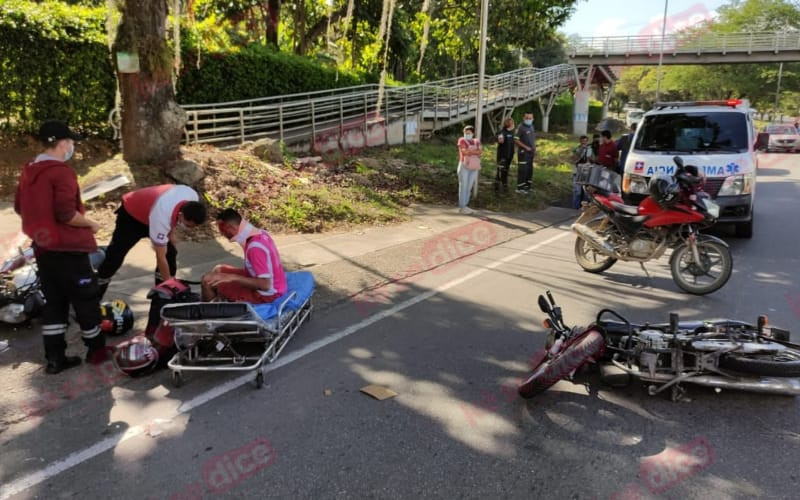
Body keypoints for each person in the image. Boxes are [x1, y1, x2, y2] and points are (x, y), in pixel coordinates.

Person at [14, 121, 106, 373]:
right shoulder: (61, 172)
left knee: (54, 303)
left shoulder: (29, 170)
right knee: (85, 299)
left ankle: (55, 358)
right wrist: (92, 224)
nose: (72, 147)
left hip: (44, 248)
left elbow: (19, 208)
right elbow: (66, 214)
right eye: (71, 142)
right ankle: (97, 351)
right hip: (69, 248)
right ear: (63, 143)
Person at [96, 184, 207, 296]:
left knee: (171, 253)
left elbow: (174, 214)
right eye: (187, 225)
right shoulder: (162, 217)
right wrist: (169, 282)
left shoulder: (192, 197)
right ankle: (97, 286)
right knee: (116, 255)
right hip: (132, 214)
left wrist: (171, 233)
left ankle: (161, 295)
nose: (188, 229)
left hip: (153, 210)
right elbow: (160, 256)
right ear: (181, 215)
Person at [202, 209, 287, 303]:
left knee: (207, 280)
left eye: (222, 229)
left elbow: (265, 285)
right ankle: (220, 299)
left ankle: (209, 314)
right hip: (275, 284)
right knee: (219, 269)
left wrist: (234, 278)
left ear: (232, 227)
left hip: (266, 295)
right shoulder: (260, 233)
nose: (222, 233)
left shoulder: (255, 248)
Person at [456, 125, 482, 214]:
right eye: (465, 133)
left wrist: (470, 152)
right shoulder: (462, 140)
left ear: (472, 133)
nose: (467, 134)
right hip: (464, 166)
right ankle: (462, 207)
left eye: (469, 133)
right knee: (463, 186)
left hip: (474, 167)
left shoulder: (476, 141)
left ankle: (465, 206)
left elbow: (480, 152)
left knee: (469, 187)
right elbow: (464, 151)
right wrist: (474, 152)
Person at [514, 112, 536, 194]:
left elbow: (532, 139)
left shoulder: (531, 126)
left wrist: (534, 148)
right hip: (523, 153)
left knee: (529, 170)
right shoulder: (521, 127)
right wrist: (525, 147)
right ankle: (520, 188)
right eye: (527, 118)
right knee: (523, 170)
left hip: (531, 153)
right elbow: (516, 139)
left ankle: (527, 187)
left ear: (533, 119)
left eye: (530, 118)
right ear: (524, 118)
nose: (528, 120)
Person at [571, 135, 595, 209]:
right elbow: (573, 159)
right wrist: (581, 150)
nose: (584, 143)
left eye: (586, 142)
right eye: (583, 142)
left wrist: (589, 156)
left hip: (586, 172)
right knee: (577, 192)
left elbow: (592, 160)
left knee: (586, 192)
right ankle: (575, 208)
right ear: (580, 141)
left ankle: (585, 208)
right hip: (577, 172)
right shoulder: (576, 149)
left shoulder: (590, 149)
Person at [495, 117, 515, 194]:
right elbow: (499, 138)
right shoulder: (502, 132)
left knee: (506, 172)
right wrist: (499, 139)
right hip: (502, 157)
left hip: (509, 156)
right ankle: (497, 188)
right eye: (512, 123)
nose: (513, 124)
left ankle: (505, 186)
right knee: (500, 172)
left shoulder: (512, 133)